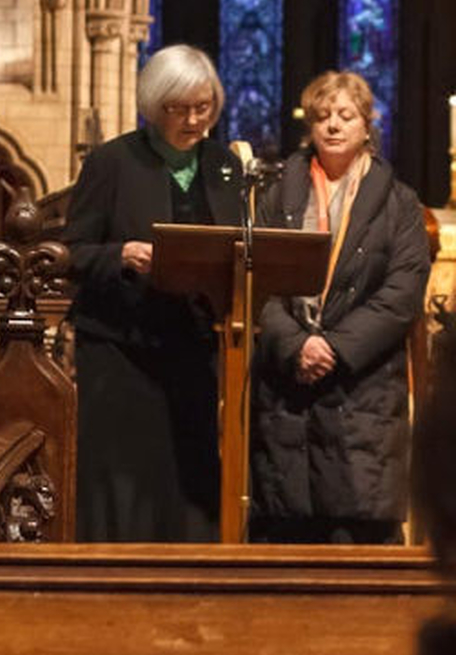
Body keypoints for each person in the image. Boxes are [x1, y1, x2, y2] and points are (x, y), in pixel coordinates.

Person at [63, 44, 243, 542]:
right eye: (177, 109)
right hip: (121, 351)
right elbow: (72, 251)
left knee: (189, 477)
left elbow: (242, 246)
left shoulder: (224, 166)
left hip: (194, 346)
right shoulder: (112, 162)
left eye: (202, 107)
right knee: (126, 476)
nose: (192, 120)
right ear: (153, 105)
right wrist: (123, 255)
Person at [250, 70, 430, 544]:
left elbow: (402, 293)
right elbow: (256, 282)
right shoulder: (276, 196)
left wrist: (332, 348)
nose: (333, 125)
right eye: (323, 116)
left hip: (362, 389)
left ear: (366, 125)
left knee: (357, 543)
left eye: (345, 116)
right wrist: (296, 345)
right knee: (285, 544)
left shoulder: (399, 202)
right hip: (288, 390)